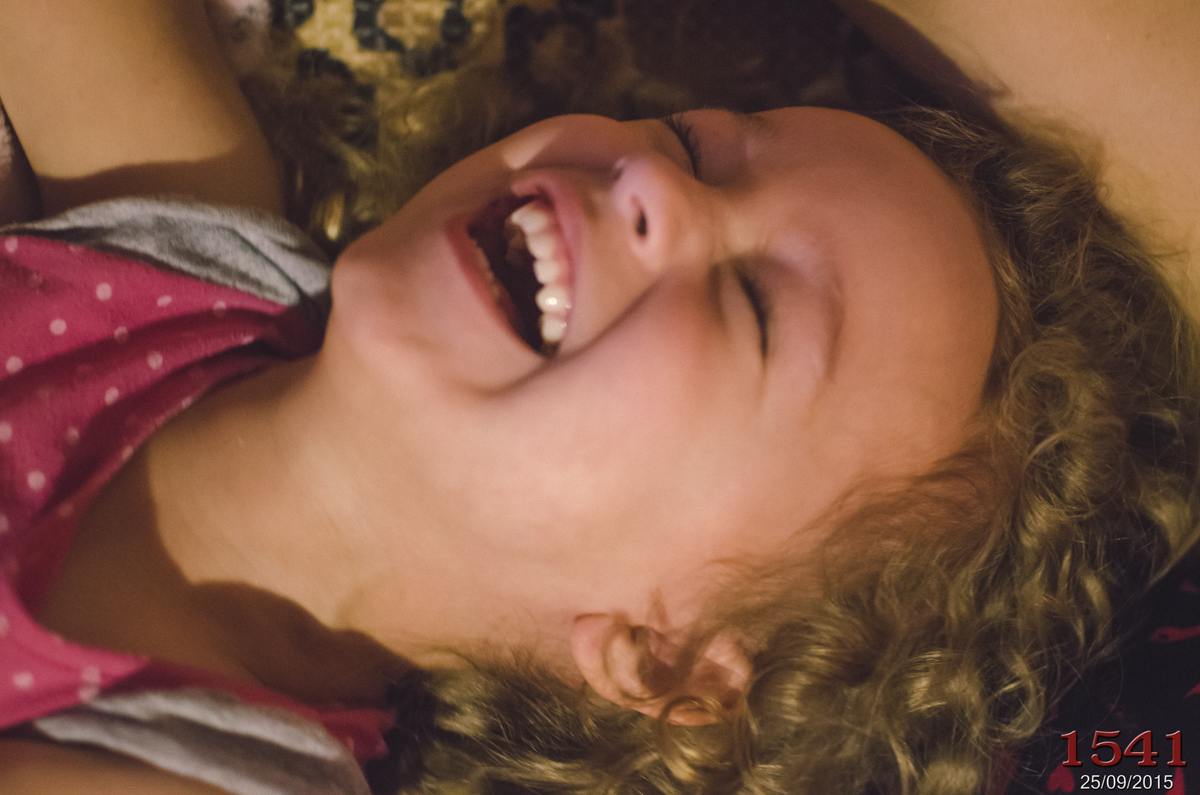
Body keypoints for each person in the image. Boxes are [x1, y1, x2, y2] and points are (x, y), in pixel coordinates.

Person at [0, 2, 1196, 794]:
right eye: (689, 142)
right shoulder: (182, 248)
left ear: (659, 656)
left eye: (756, 308)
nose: (652, 187)